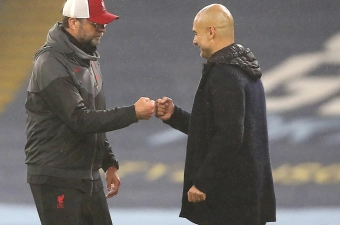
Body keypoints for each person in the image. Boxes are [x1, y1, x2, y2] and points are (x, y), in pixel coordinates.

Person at [24, 0, 155, 224]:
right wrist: (133, 113)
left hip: (85, 175)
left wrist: (109, 163)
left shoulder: (88, 60)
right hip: (56, 176)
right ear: (73, 23)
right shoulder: (50, 62)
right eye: (96, 23)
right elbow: (80, 119)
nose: (102, 29)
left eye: (104, 24)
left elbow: (95, 118)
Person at [155, 4, 276, 225]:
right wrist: (174, 116)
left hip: (229, 200)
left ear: (211, 31)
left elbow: (229, 135)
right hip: (248, 194)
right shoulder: (245, 69)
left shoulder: (224, 73)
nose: (194, 41)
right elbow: (215, 129)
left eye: (196, 33)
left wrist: (203, 181)